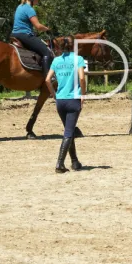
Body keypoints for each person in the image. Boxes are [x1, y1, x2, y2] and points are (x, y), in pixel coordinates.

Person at [45, 35, 87, 173]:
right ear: (73, 46)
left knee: (70, 129)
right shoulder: (78, 59)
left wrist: (53, 94)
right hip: (73, 99)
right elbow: (82, 78)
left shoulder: (56, 60)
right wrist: (83, 94)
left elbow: (47, 80)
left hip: (60, 101)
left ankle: (75, 161)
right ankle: (60, 164)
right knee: (69, 132)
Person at [11, 0, 53, 75]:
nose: (38, 1)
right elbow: (38, 26)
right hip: (24, 35)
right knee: (47, 52)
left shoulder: (20, 6)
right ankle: (48, 77)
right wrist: (47, 29)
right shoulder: (29, 9)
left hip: (15, 34)